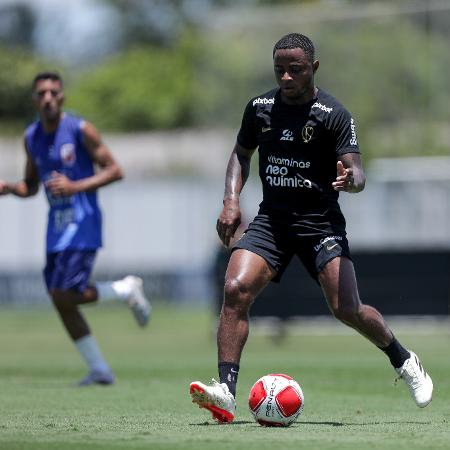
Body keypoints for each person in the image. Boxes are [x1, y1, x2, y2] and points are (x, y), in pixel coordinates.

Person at [189, 33, 433, 423]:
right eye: (279, 70)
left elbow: (357, 171)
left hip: (319, 223)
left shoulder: (334, 114)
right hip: (273, 221)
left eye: (295, 70)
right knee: (235, 289)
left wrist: (350, 179)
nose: (286, 77)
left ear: (313, 68)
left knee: (346, 309)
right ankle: (226, 392)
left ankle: (404, 360)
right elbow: (241, 153)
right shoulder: (260, 109)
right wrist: (231, 200)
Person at [0, 71, 151, 386]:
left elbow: (115, 170)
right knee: (60, 298)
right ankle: (99, 369)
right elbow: (31, 185)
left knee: (65, 292)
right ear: (34, 99)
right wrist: (11, 188)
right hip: (56, 229)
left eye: (54, 92)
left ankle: (125, 289)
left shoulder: (81, 130)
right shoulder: (31, 137)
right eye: (41, 93)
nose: (48, 98)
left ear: (62, 96)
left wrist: (75, 185)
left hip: (83, 223)